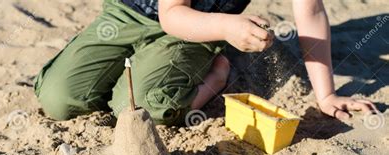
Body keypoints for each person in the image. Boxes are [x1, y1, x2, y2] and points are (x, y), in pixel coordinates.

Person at [34, 0, 377, 125]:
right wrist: (230, 26)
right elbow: (170, 14)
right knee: (59, 97)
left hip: (198, 26)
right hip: (133, 13)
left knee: (136, 108)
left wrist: (326, 95)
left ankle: (217, 74)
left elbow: (311, 11)